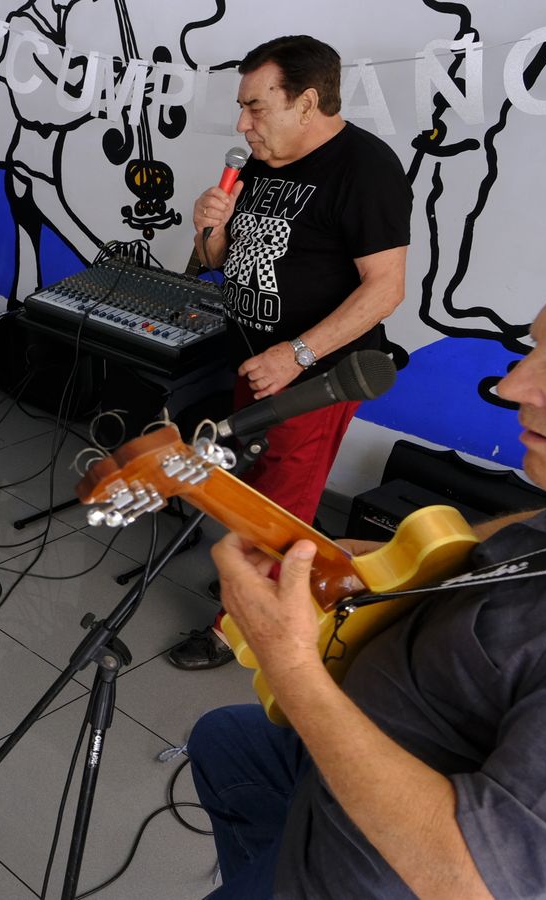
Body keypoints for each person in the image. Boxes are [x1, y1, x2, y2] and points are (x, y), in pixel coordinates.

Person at [187, 280, 546, 898]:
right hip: (366, 739)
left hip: (392, 865)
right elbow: (535, 529)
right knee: (225, 742)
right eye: (535, 349)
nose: (512, 387)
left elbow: (470, 877)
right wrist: (399, 559)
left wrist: (290, 666)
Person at [171, 34, 412, 669]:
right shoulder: (257, 162)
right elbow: (219, 263)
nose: (242, 124)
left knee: (283, 504)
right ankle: (253, 582)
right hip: (253, 361)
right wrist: (211, 228)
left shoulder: (366, 168)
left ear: (306, 103)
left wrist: (296, 356)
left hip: (316, 377)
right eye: (242, 108)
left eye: (256, 107)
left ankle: (237, 629)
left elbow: (386, 288)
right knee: (253, 486)